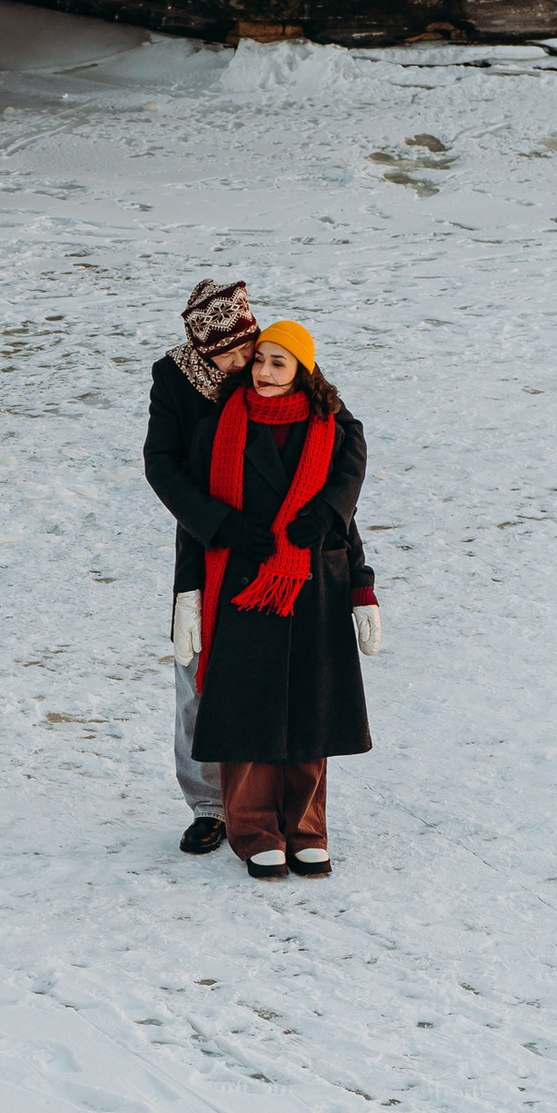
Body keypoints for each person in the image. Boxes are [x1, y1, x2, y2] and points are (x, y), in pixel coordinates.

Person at [159, 318, 380, 881]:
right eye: (259, 360)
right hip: (242, 587)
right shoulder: (218, 426)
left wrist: (361, 586)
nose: (262, 371)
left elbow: (347, 514)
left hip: (313, 586)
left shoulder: (332, 427)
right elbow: (191, 518)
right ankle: (253, 827)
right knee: (246, 708)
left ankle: (307, 828)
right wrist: (191, 587)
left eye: (278, 363)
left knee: (312, 709)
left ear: (304, 370)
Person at [143, 277, 259, 855]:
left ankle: (264, 802)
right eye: (229, 354)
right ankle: (208, 805)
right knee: (197, 677)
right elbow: (161, 466)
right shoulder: (175, 380)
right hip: (204, 545)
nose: (244, 363)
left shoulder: (273, 362)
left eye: (248, 347)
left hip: (272, 544)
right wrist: (217, 525)